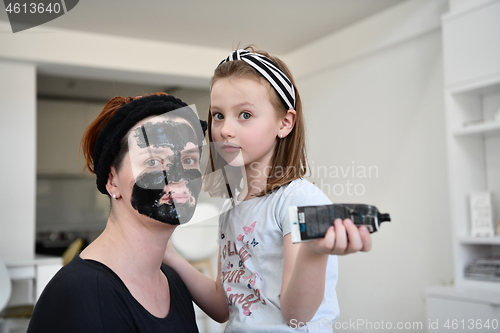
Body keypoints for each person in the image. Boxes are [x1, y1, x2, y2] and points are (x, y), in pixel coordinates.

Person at [163, 47, 372, 332]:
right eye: (218, 115)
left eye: (245, 114)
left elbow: (297, 316)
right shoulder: (231, 209)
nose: (224, 129)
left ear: (285, 123)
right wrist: (171, 256)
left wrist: (314, 251)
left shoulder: (299, 200)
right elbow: (225, 306)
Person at [27, 93, 207, 333]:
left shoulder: (173, 280)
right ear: (112, 181)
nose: (179, 177)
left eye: (189, 159)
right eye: (153, 162)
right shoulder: (82, 293)